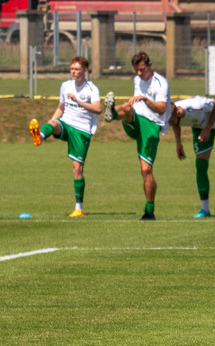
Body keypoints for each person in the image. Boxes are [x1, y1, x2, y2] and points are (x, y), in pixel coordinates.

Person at [28, 55, 102, 217]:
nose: (73, 72)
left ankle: (78, 208)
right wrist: (51, 121)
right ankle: (40, 135)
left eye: (76, 69)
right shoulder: (65, 86)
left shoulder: (91, 89)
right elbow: (61, 107)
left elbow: (98, 109)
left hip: (82, 130)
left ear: (85, 71)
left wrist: (78, 101)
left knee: (77, 169)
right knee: (54, 124)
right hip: (66, 123)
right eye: (71, 69)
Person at [102, 51, 171, 220]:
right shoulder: (136, 79)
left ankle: (149, 211)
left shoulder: (161, 83)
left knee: (146, 170)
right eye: (136, 70)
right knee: (127, 107)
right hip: (135, 119)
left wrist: (145, 99)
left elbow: (162, 109)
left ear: (150, 64)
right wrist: (136, 101)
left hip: (152, 124)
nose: (139, 74)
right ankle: (111, 112)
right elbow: (135, 101)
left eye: (141, 69)